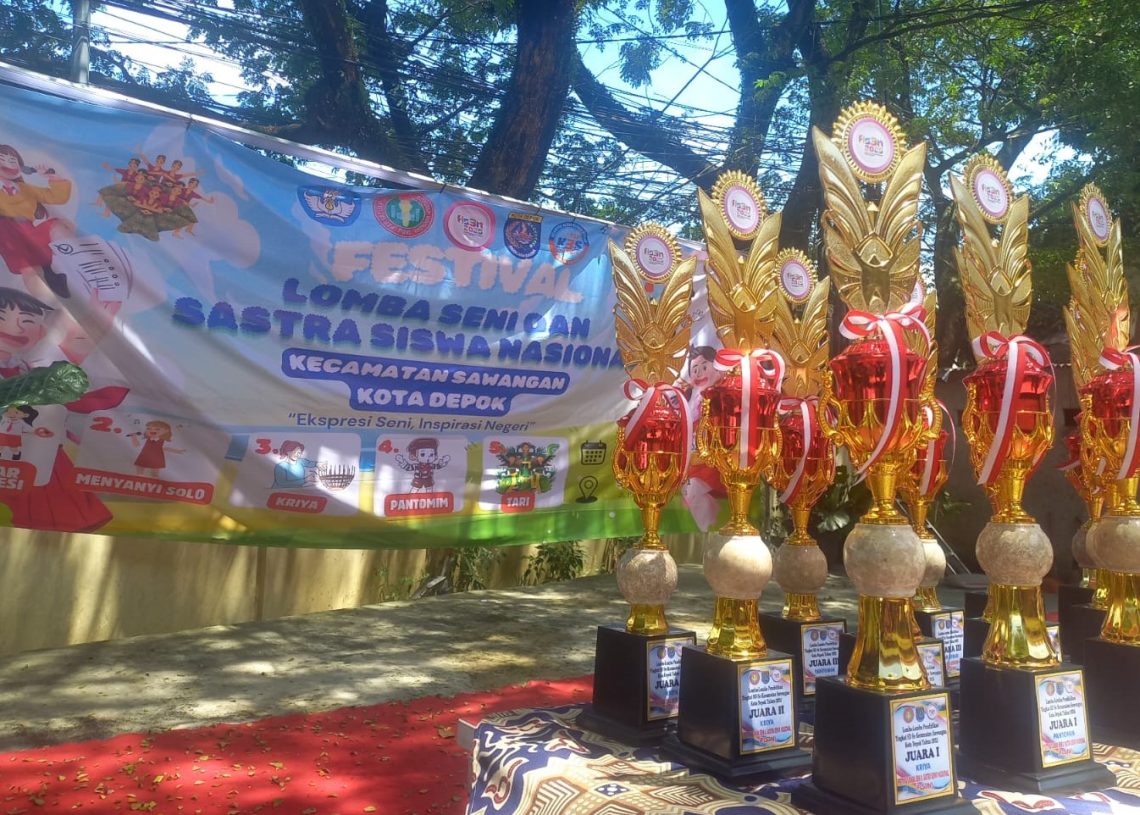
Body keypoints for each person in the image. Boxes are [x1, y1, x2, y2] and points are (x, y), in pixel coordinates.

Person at [0, 144, 72, 299]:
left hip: (28, 230)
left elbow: (56, 197)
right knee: (29, 270)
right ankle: (48, 303)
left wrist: (53, 177)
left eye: (12, 161)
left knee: (61, 228)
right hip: (8, 235)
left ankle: (56, 279)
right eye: (2, 160)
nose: (7, 164)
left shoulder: (24, 188)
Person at [680, 345, 727, 531]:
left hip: (714, 461)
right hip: (693, 461)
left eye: (704, 367)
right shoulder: (689, 398)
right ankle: (712, 529)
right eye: (694, 369)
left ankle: (711, 529)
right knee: (690, 491)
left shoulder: (723, 394)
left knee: (693, 489)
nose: (699, 373)